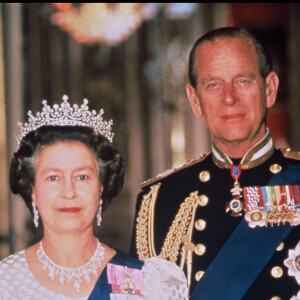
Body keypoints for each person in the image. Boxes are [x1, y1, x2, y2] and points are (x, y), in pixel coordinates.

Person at [130, 27, 300, 300]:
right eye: (213, 85)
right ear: (195, 100)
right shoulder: (160, 199)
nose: (229, 98)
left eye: (243, 81)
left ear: (269, 89)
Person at [0, 96, 188, 299]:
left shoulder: (146, 282)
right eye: (53, 177)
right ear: (33, 190)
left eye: (82, 177)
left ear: (100, 187)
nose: (69, 192)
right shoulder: (6, 281)